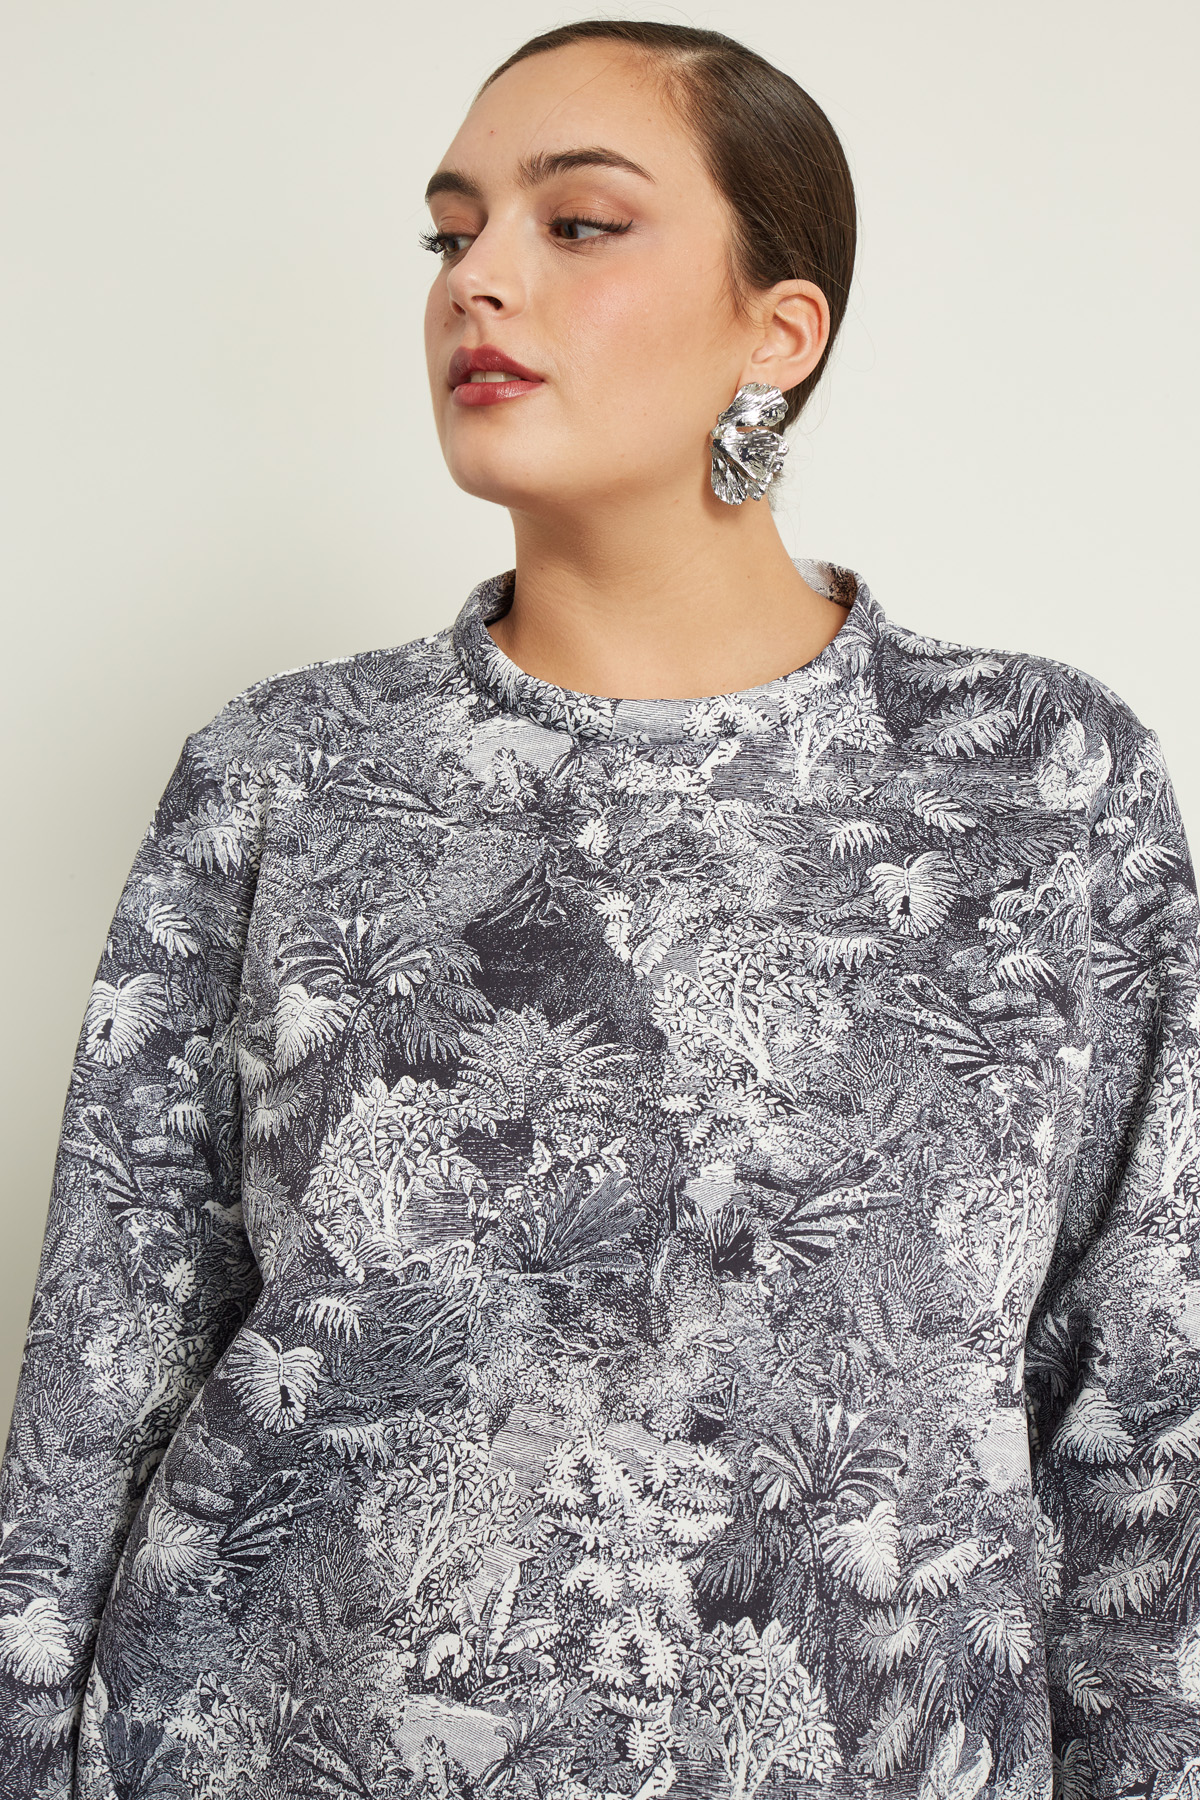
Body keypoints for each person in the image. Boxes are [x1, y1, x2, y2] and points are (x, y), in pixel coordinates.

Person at [1, 17, 1197, 1799]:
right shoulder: (283, 773)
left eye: (577, 224)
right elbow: (106, 1363)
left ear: (777, 331)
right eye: (451, 231)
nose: (477, 279)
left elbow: (1152, 1404)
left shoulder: (1045, 780)